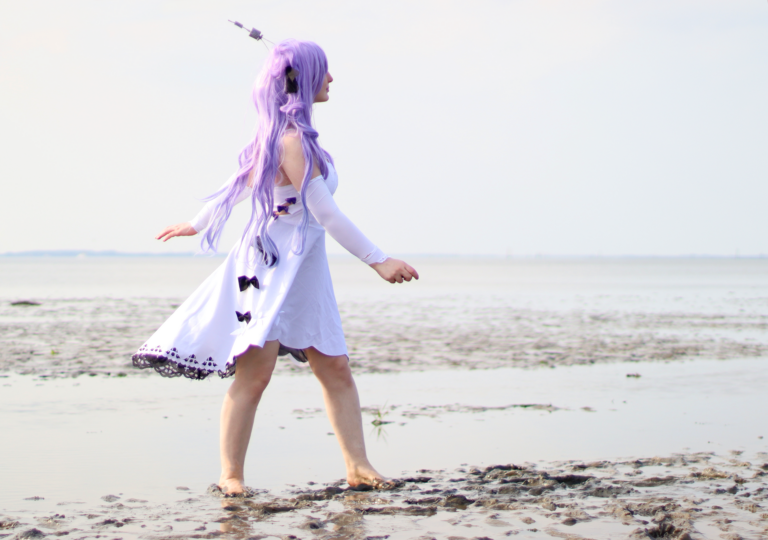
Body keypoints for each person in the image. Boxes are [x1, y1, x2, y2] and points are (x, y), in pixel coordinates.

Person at [131, 39, 418, 496]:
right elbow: (319, 211)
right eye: (324, 70)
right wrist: (379, 260)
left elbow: (244, 188)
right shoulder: (289, 141)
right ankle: (231, 476)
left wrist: (196, 222)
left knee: (335, 368)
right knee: (255, 374)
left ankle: (358, 466)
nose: (331, 78)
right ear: (300, 80)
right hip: (267, 266)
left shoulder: (293, 138)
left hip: (306, 268)